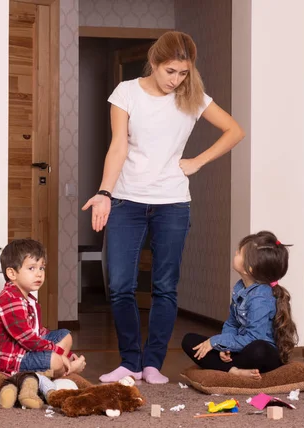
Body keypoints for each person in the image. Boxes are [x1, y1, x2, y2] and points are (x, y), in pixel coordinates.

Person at [82, 31, 245, 384]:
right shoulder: (126, 92)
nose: (176, 80)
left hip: (172, 203)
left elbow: (234, 130)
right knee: (121, 285)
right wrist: (105, 193)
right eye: (171, 71)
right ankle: (129, 362)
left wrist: (198, 161)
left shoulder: (193, 97)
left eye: (183, 73)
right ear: (154, 63)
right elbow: (118, 147)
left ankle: (153, 362)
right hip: (126, 200)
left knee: (165, 286)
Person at [181, 231, 299, 379]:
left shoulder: (261, 298)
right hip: (240, 349)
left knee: (258, 349)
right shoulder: (240, 288)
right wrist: (224, 347)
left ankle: (227, 368)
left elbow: (253, 338)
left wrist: (217, 341)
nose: (235, 252)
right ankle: (234, 371)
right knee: (189, 340)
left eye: (239, 253)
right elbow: (232, 323)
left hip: (260, 353)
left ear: (249, 269)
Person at [0, 239, 86, 377]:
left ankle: (55, 367)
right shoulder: (11, 300)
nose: (39, 274)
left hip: (25, 349)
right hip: (9, 357)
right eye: (32, 268)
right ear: (12, 273)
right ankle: (67, 369)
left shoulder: (29, 299)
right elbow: (27, 338)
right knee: (55, 360)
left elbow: (39, 332)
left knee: (65, 335)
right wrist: (59, 354)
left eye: (41, 268)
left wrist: (66, 353)